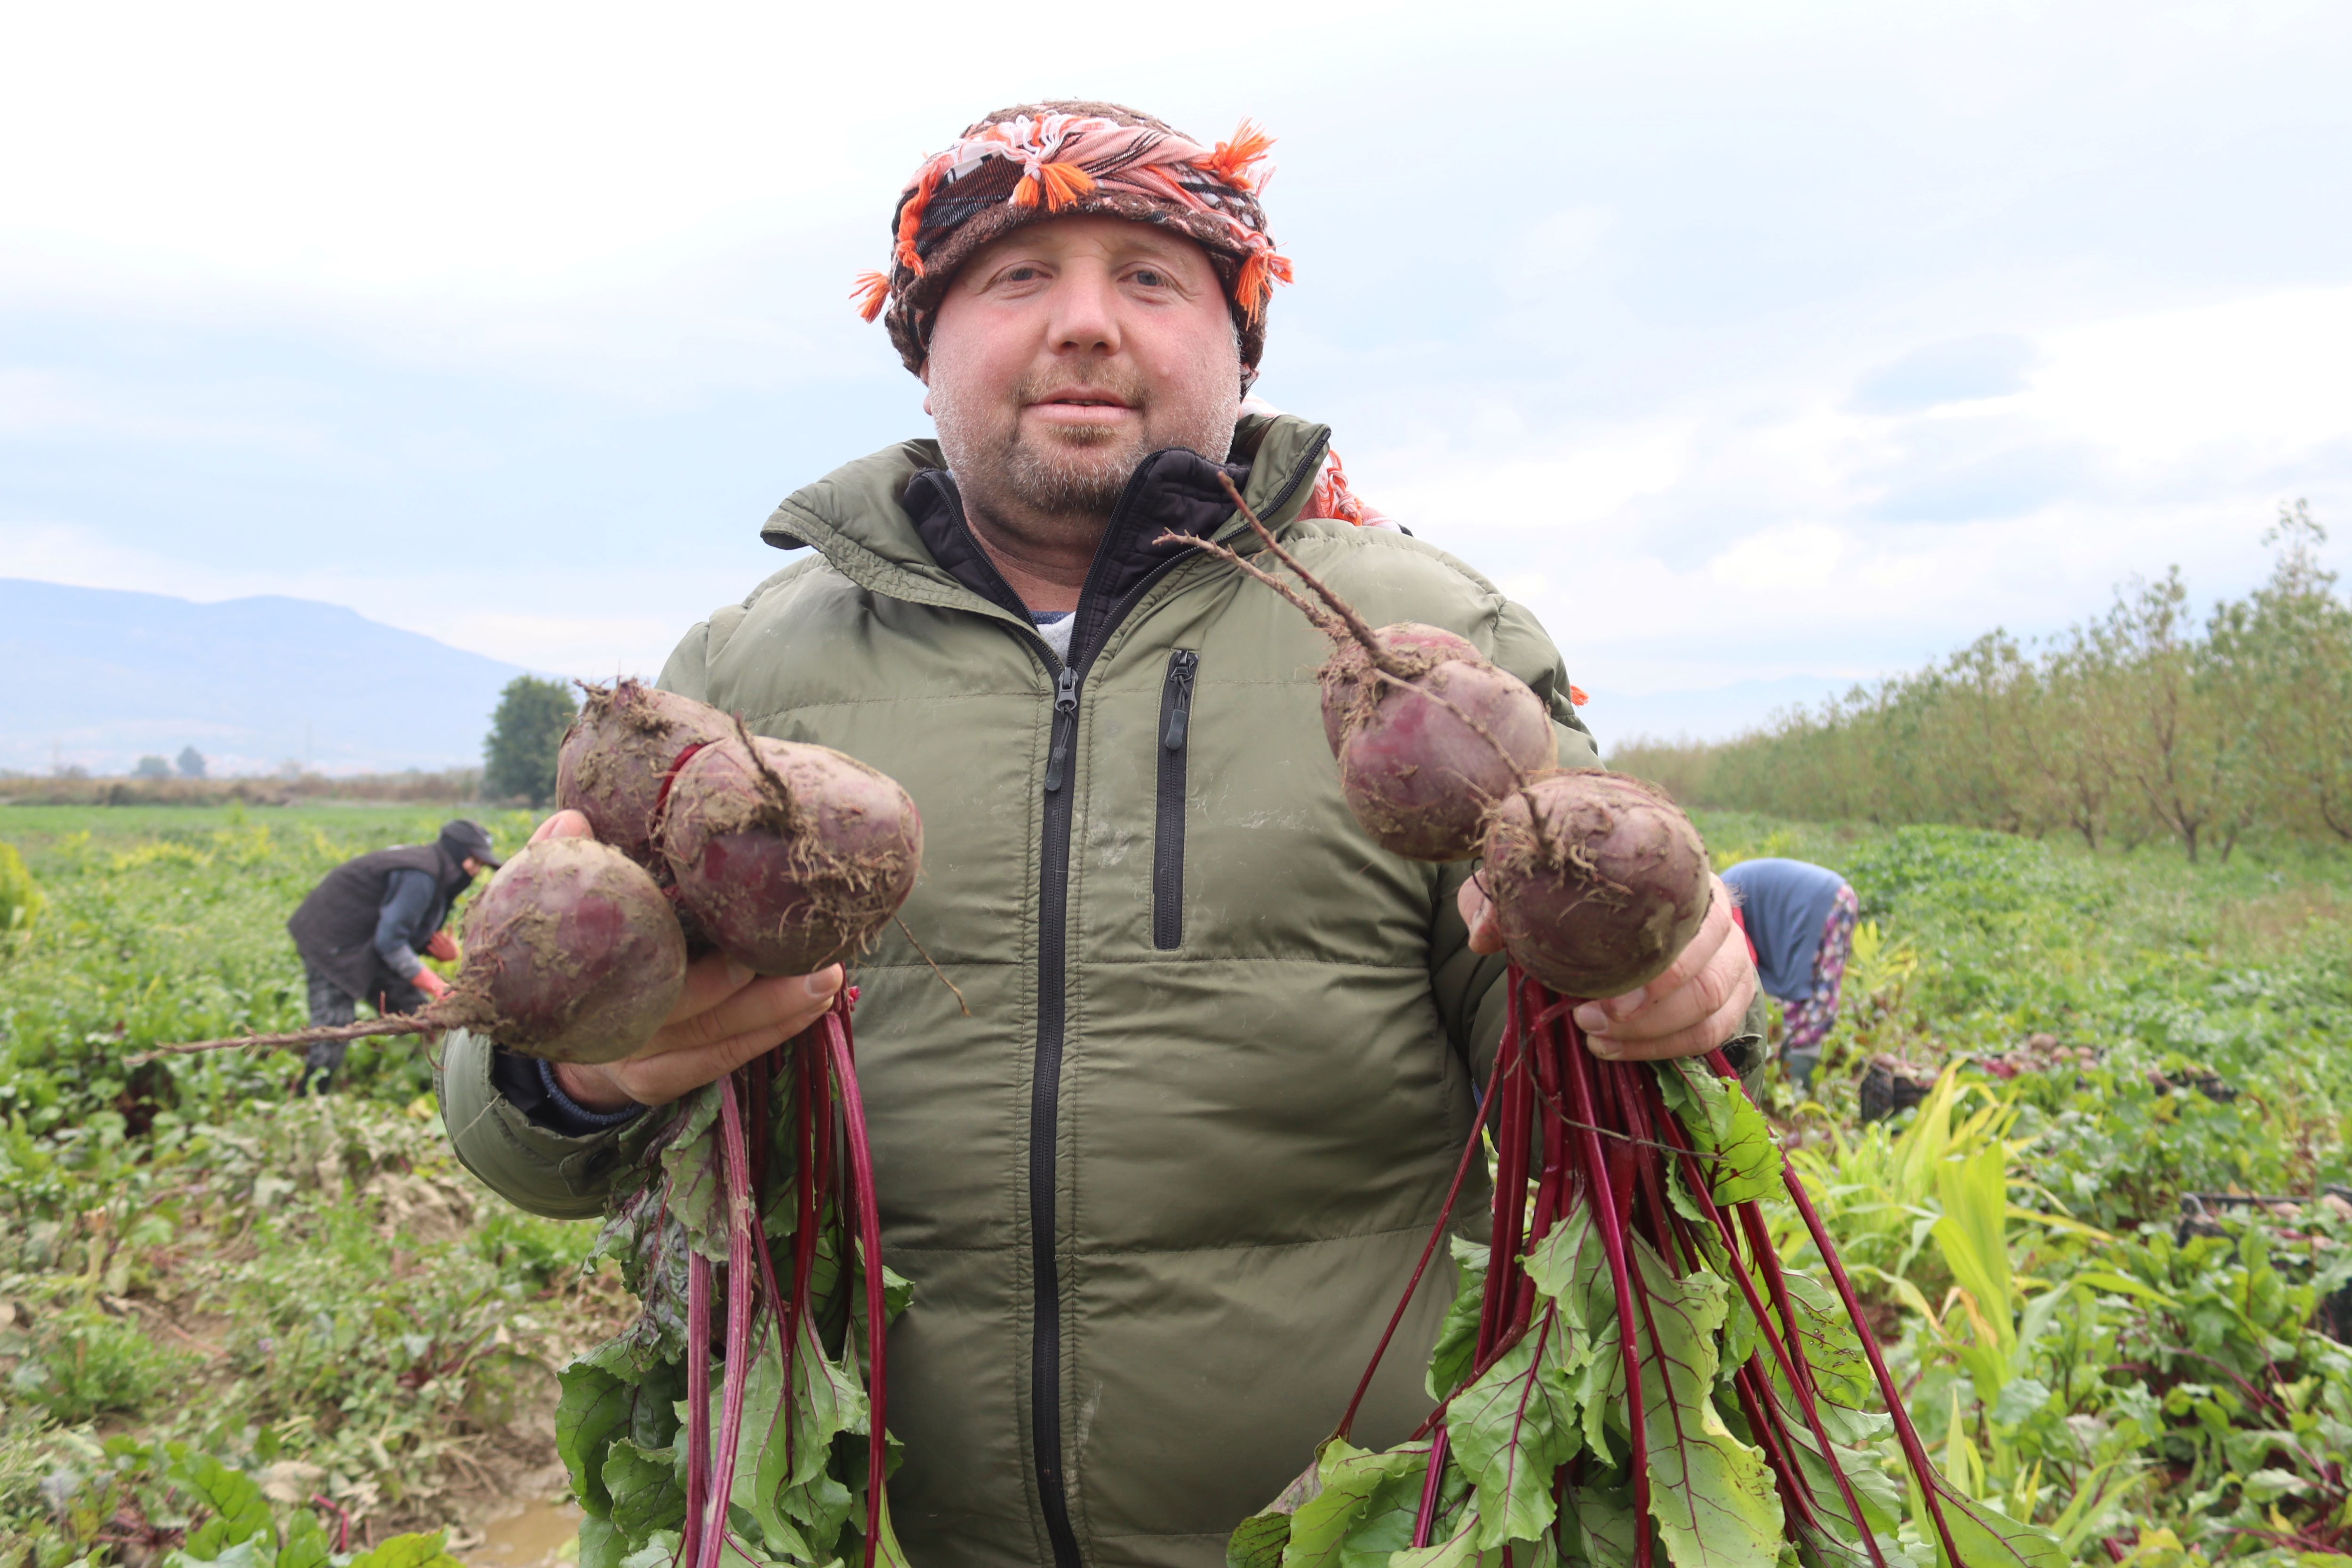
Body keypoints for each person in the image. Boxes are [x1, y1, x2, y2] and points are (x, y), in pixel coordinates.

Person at [437, 102, 1763, 1568]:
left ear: (1238, 342)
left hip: (1356, 1527)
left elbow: (1596, 1041)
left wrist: (1682, 992)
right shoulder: (736, 680)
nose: (1084, 326)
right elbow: (527, 1134)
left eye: (1149, 278)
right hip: (875, 1529)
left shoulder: (1432, 635)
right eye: (1017, 279)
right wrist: (569, 1074)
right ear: (924, 346)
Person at [287, 819, 500, 1093]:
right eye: (473, 861)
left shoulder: (434, 871)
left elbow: (400, 931)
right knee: (333, 1030)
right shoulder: (421, 874)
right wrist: (439, 987)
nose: (475, 870)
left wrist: (441, 952)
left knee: (416, 1012)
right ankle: (309, 1097)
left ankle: (425, 1079)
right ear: (457, 853)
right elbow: (390, 942)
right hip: (332, 942)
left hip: (368, 943)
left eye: (480, 865)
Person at [1720, 856, 1859, 1090]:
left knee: (1808, 999)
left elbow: (1744, 962)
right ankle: (1795, 1082)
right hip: (1838, 897)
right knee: (1818, 996)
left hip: (1822, 903)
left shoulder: (1722, 898)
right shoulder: (1729, 885)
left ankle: (1794, 1088)